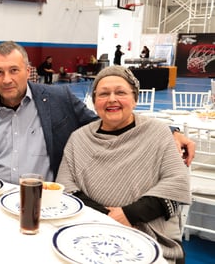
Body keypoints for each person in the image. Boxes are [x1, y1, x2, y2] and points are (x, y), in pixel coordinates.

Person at [0, 41, 195, 184]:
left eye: (14, 70)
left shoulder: (59, 99)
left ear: (28, 70)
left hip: (49, 202)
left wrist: (169, 131)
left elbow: (109, 123)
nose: (7, 79)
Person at [56, 65, 191, 264]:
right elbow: (66, 188)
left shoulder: (159, 132)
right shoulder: (79, 139)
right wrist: (107, 218)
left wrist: (130, 214)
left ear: (135, 99)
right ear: (94, 102)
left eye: (120, 92)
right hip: (89, 231)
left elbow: (177, 183)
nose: (112, 99)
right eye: (103, 94)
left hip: (148, 235)